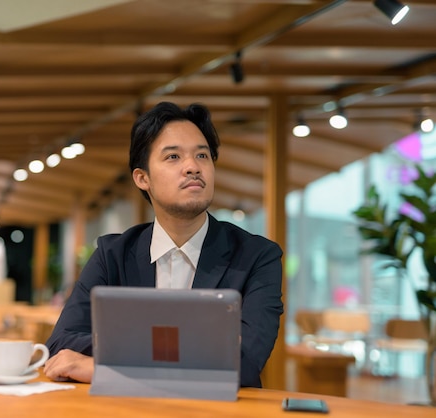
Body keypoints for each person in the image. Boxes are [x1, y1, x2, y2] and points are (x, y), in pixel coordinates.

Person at [44, 101, 283, 388]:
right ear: (142, 178)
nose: (193, 167)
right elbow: (62, 342)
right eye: (173, 157)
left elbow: (244, 360)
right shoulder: (112, 255)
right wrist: (196, 355)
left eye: (202, 155)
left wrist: (104, 367)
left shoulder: (257, 257)